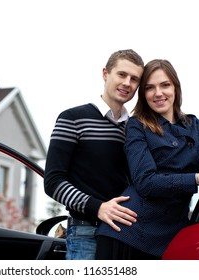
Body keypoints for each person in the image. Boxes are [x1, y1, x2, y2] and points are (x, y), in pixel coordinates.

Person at [95, 59, 199, 259]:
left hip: (169, 240)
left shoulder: (196, 126)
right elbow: (145, 182)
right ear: (144, 95)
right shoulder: (137, 125)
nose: (158, 93)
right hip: (127, 233)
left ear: (176, 88)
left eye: (165, 85)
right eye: (150, 88)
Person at [44, 49, 144, 260]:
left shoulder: (134, 128)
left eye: (134, 79)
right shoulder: (72, 118)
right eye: (121, 74)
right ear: (105, 73)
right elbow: (53, 182)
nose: (127, 83)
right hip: (85, 233)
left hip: (126, 235)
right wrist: (98, 207)